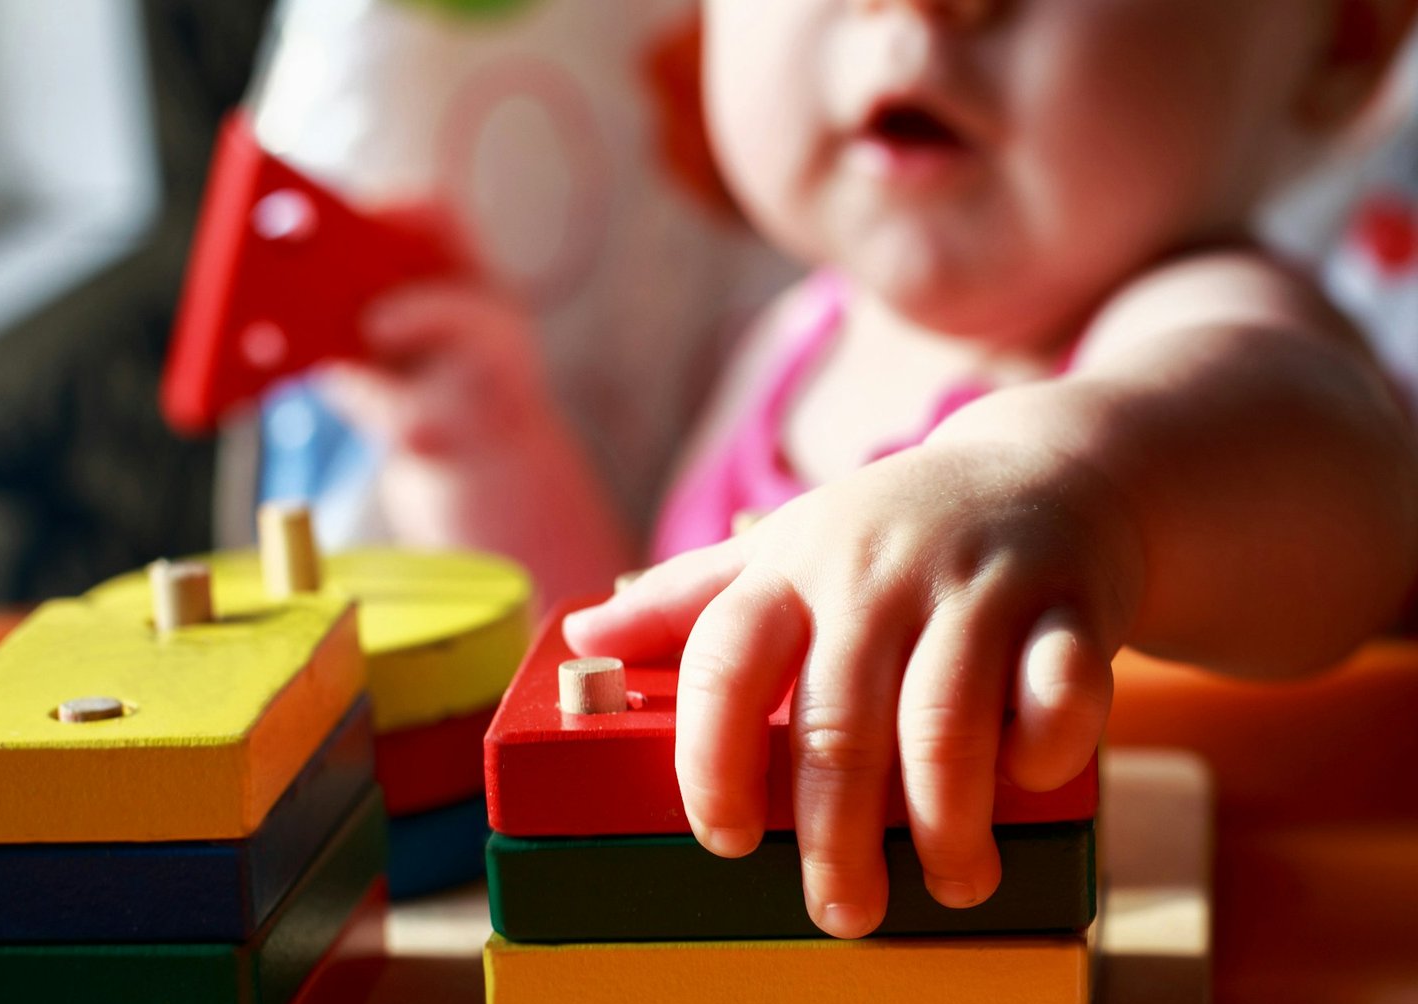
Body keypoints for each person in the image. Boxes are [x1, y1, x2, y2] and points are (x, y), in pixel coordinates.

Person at [327, 0, 1418, 939]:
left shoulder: (1210, 342)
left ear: (1344, 36)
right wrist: (489, 449)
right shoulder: (784, 347)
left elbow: (1344, 482)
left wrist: (1065, 488)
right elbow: (640, 693)